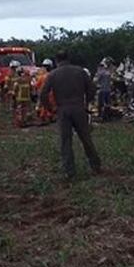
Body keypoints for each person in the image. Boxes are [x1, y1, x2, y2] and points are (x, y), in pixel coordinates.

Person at [40, 51, 102, 179]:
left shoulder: (53, 74)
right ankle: (96, 166)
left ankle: (70, 171)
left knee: (65, 142)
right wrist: (86, 103)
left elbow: (43, 94)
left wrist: (51, 109)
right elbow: (92, 89)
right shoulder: (80, 71)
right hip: (79, 108)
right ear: (69, 58)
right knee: (86, 138)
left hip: (63, 110)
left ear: (56, 60)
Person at [35, 59, 56, 124]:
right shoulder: (53, 75)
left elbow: (36, 85)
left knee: (43, 105)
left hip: (43, 93)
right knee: (51, 105)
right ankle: (49, 117)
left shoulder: (41, 76)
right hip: (51, 94)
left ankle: (43, 117)